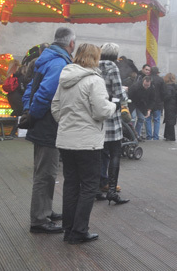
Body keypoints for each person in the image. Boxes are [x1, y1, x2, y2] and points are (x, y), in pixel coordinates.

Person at [51, 43, 117, 244]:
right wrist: (113, 105)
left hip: (66, 139)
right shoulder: (94, 80)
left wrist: (64, 121)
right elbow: (101, 111)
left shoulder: (65, 78)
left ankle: (68, 228)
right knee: (89, 186)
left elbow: (55, 106)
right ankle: (79, 230)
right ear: (94, 58)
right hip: (87, 141)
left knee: (71, 184)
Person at [23, 27, 76, 235]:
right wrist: (34, 114)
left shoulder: (46, 58)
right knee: (46, 173)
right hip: (48, 123)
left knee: (44, 171)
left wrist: (28, 110)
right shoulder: (60, 62)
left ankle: (45, 210)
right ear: (71, 43)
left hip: (41, 121)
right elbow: (46, 92)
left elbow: (31, 88)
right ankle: (39, 219)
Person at [97, 43, 129, 205]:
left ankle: (97, 187)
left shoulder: (94, 67)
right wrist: (124, 93)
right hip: (112, 117)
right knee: (115, 153)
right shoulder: (113, 68)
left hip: (98, 116)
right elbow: (118, 93)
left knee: (100, 153)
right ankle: (111, 190)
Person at [163, 73, 177, 141]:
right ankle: (168, 135)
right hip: (174, 105)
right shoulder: (176, 86)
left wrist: (163, 98)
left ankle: (170, 136)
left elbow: (167, 96)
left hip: (169, 105)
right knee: (171, 120)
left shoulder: (168, 87)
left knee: (169, 120)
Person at [149, 66, 165, 140]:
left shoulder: (147, 79)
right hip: (158, 103)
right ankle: (155, 136)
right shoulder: (161, 80)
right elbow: (163, 92)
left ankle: (148, 136)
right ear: (157, 72)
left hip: (148, 103)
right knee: (157, 120)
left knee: (148, 120)